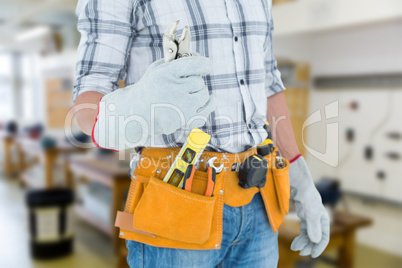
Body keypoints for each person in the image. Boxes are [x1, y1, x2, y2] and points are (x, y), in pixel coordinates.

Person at [73, 0, 330, 267]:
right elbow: (86, 104)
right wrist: (137, 109)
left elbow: (267, 81)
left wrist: (299, 175)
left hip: (258, 202)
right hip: (175, 203)